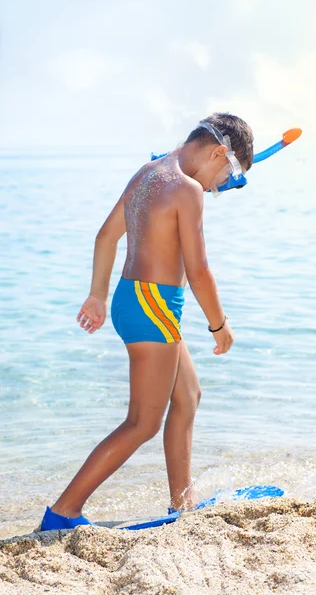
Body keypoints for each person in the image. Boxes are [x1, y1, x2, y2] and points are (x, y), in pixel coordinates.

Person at [40, 112, 254, 530]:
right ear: (217, 153)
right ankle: (62, 512)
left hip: (131, 298)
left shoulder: (149, 173)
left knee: (188, 395)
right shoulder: (187, 189)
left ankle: (183, 506)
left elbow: (106, 235)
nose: (217, 188)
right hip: (154, 305)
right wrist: (218, 323)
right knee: (142, 422)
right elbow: (199, 270)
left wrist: (97, 295)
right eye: (226, 176)